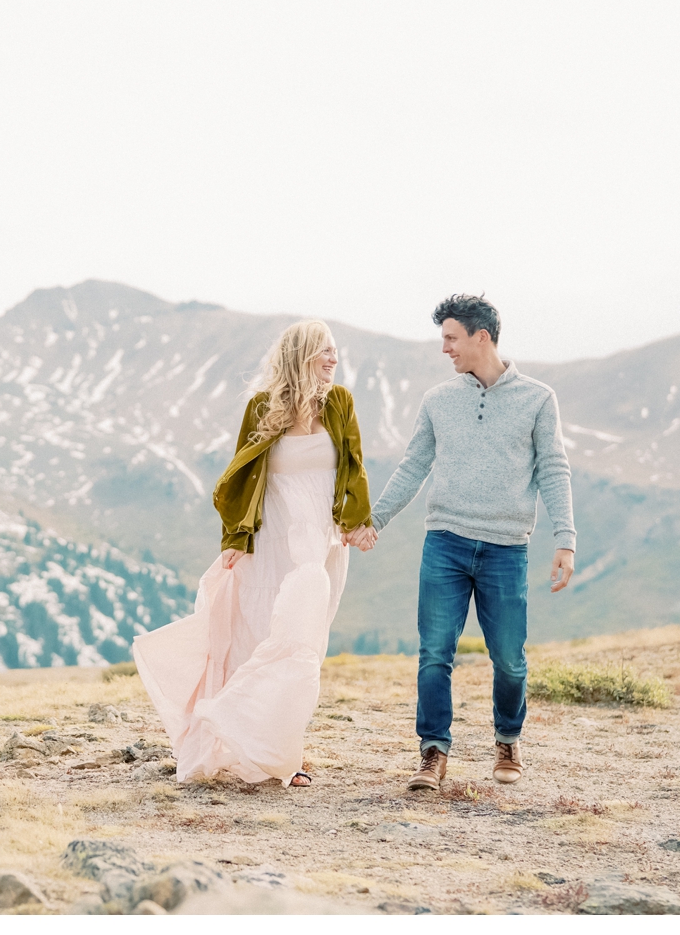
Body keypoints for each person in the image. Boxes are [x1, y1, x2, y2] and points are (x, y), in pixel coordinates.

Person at [347, 294, 575, 791]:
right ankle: (433, 752)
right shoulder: (438, 400)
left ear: (481, 337)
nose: (444, 349)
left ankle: (508, 739)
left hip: (506, 547)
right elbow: (413, 465)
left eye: (451, 338)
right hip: (445, 542)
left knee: (510, 659)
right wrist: (376, 520)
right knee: (434, 654)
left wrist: (565, 537)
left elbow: (553, 468)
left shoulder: (538, 398)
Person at [133, 320, 374, 788]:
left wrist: (356, 521)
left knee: (306, 646)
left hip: (320, 544)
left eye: (335, 350)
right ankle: (267, 755)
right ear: (301, 354)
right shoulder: (262, 407)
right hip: (271, 542)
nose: (332, 358)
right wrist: (234, 541)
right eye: (324, 350)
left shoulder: (340, 402)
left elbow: (354, 466)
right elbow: (242, 477)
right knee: (262, 638)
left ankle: (282, 751)